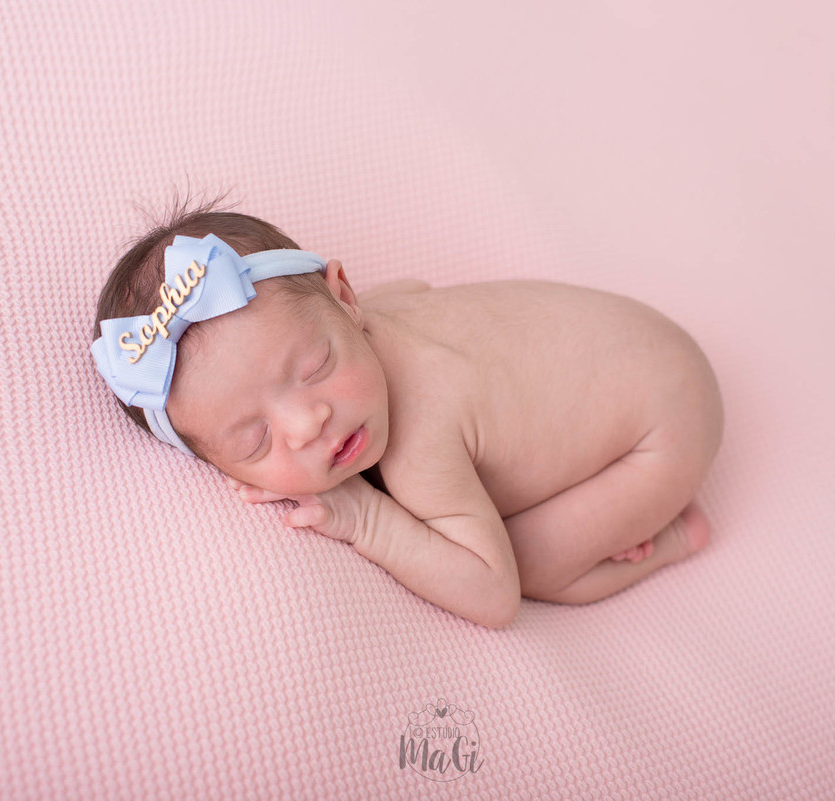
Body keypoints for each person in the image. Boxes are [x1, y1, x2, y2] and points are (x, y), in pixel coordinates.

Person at [91, 198, 724, 629]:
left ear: (345, 297)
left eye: (315, 367)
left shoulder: (422, 441)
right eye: (256, 441)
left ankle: (672, 538)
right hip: (635, 334)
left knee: (528, 561)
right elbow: (416, 288)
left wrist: (368, 520)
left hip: (666, 428)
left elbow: (495, 595)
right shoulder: (372, 311)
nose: (308, 423)